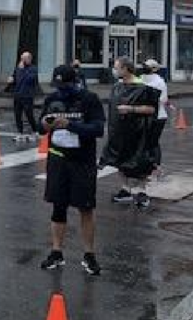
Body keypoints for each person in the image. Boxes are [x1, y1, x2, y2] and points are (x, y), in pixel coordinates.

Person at [38, 65, 106, 276]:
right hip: (58, 159)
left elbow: (98, 129)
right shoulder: (52, 100)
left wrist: (70, 125)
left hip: (82, 160)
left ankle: (89, 254)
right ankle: (56, 252)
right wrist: (46, 124)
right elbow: (41, 127)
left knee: (85, 207)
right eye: (58, 86)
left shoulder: (89, 99)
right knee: (58, 206)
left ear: (74, 82)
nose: (62, 90)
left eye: (65, 86)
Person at [102, 56, 159, 210]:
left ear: (126, 69)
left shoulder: (143, 87)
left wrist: (131, 109)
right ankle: (125, 189)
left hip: (138, 132)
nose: (114, 71)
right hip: (119, 132)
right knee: (119, 158)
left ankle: (141, 191)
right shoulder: (117, 87)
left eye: (117, 68)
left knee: (140, 161)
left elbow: (152, 109)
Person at [141, 59, 175, 182]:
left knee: (153, 142)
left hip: (158, 116)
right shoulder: (142, 79)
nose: (145, 68)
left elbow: (162, 99)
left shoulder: (159, 82)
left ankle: (156, 167)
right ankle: (148, 166)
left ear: (154, 69)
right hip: (145, 115)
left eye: (147, 67)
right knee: (145, 142)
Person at [9, 51, 40, 143]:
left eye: (24, 58)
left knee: (29, 114)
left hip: (27, 95)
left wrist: (22, 70)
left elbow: (29, 79)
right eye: (21, 58)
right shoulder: (18, 68)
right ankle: (20, 133)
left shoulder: (33, 69)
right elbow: (15, 77)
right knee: (17, 115)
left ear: (29, 59)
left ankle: (35, 131)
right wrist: (11, 79)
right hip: (18, 95)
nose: (22, 60)